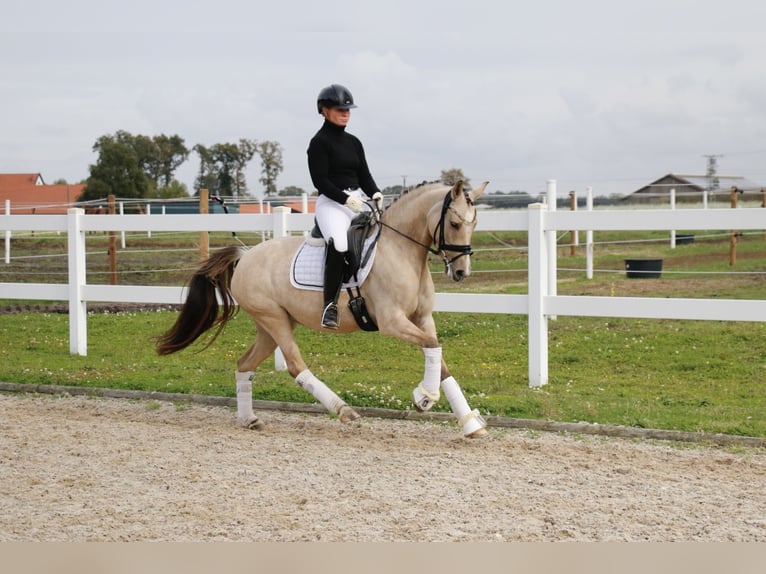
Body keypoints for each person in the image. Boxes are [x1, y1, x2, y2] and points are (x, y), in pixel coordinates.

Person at [307, 84, 383, 329]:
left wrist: (376, 192)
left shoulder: (354, 142)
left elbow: (364, 175)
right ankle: (329, 305)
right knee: (339, 243)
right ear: (324, 110)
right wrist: (344, 199)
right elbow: (320, 181)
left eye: (348, 109)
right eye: (340, 109)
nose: (345, 113)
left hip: (358, 200)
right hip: (331, 203)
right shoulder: (318, 143)